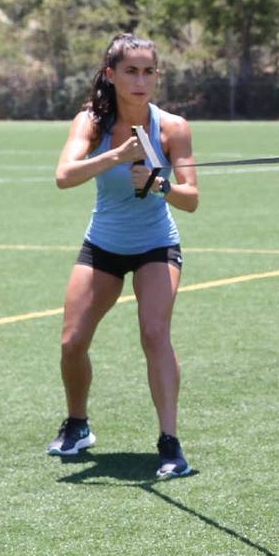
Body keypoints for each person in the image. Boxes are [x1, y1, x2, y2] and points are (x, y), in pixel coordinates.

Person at [51, 34, 201, 481]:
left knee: (155, 333)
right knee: (72, 343)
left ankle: (170, 442)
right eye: (131, 71)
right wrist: (117, 155)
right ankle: (77, 425)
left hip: (156, 244)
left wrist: (160, 183)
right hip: (103, 244)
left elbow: (191, 199)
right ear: (111, 75)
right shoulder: (91, 123)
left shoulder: (172, 127)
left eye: (148, 71)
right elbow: (64, 176)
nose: (141, 80)